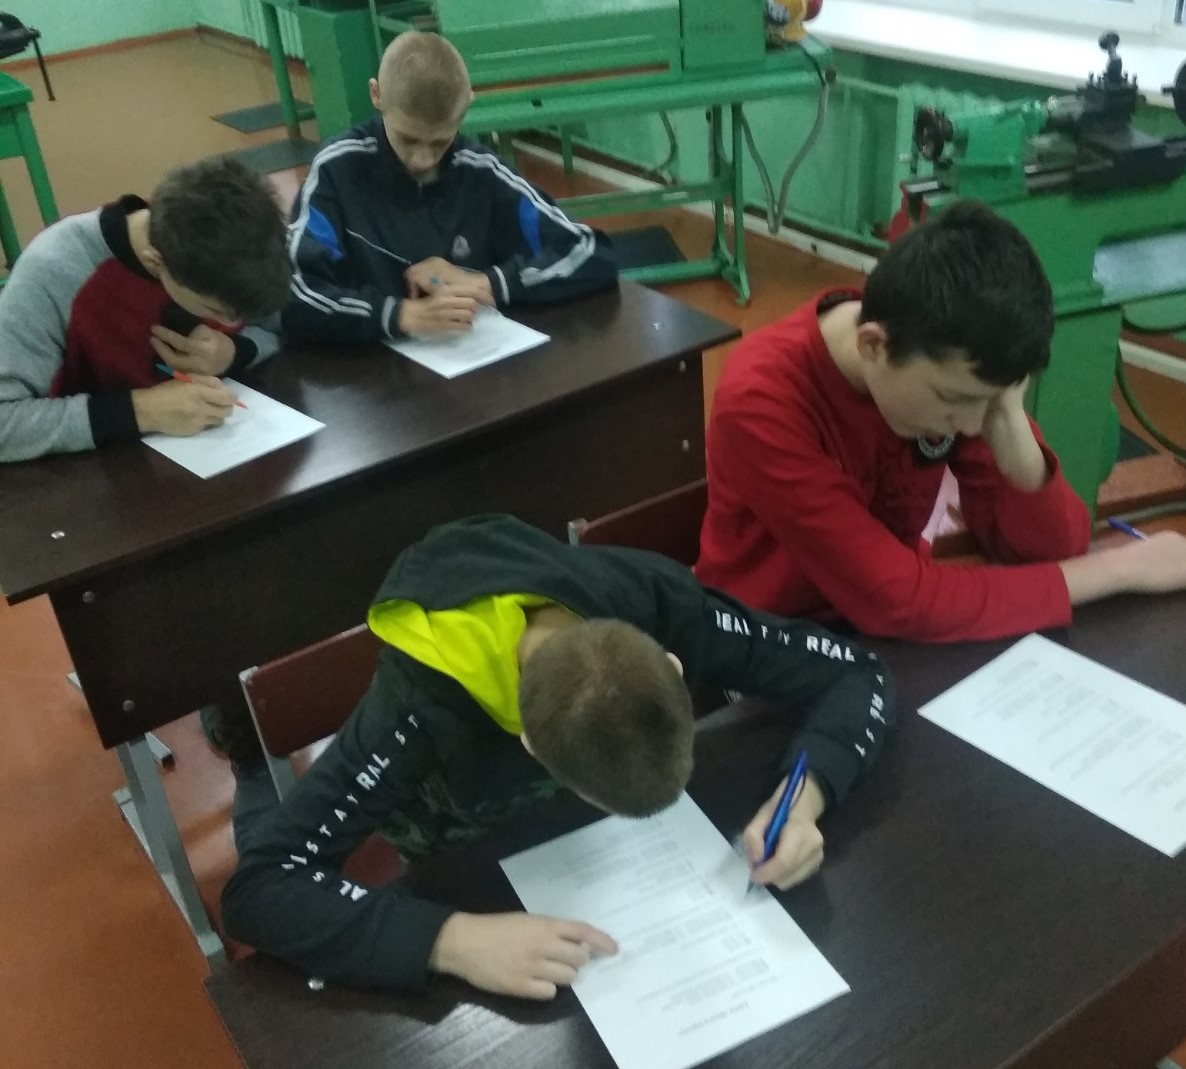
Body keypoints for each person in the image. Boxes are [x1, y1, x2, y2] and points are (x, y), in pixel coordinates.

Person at [221, 514, 894, 998]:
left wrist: (805, 798)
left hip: (595, 867)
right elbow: (259, 887)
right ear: (532, 745)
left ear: (670, 662)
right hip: (465, 854)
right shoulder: (414, 708)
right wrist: (452, 941)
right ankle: (247, 775)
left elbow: (856, 671)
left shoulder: (658, 600)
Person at [696, 200, 1186, 642]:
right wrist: (1119, 569)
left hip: (885, 635)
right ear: (873, 346)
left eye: (987, 403)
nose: (969, 427)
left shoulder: (950, 363)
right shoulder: (761, 399)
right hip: (762, 639)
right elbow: (896, 599)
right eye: (954, 401)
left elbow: (1052, 549)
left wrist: (1009, 423)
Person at [283, 31, 617, 346]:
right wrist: (400, 315)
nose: (423, 160)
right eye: (408, 139)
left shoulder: (482, 171)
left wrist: (488, 283)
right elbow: (292, 293)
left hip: (473, 365)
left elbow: (590, 251)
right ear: (376, 94)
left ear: (466, 105)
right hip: (367, 370)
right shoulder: (336, 170)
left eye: (440, 142)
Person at [0, 156, 291, 462]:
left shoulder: (246, 246)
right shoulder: (55, 270)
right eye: (213, 310)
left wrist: (235, 352)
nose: (233, 322)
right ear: (156, 263)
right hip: (90, 475)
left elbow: (279, 326)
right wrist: (141, 411)